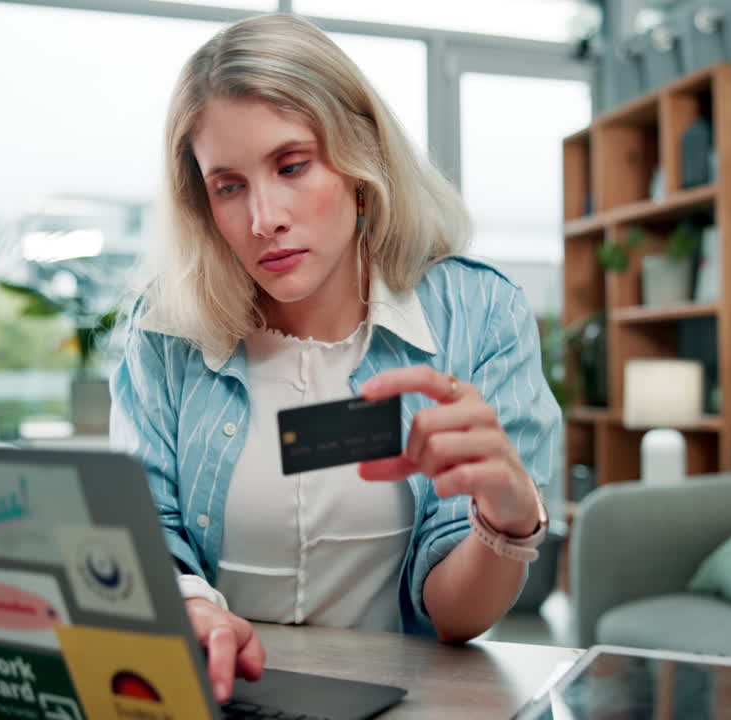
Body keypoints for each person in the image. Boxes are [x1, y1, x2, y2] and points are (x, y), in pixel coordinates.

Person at [109, 13, 562, 705]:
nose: (264, 218)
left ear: (361, 158)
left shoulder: (478, 313)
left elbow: (456, 617)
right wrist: (190, 608)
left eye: (292, 166)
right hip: (222, 697)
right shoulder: (164, 330)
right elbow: (145, 532)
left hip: (401, 702)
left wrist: (508, 514)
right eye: (228, 185)